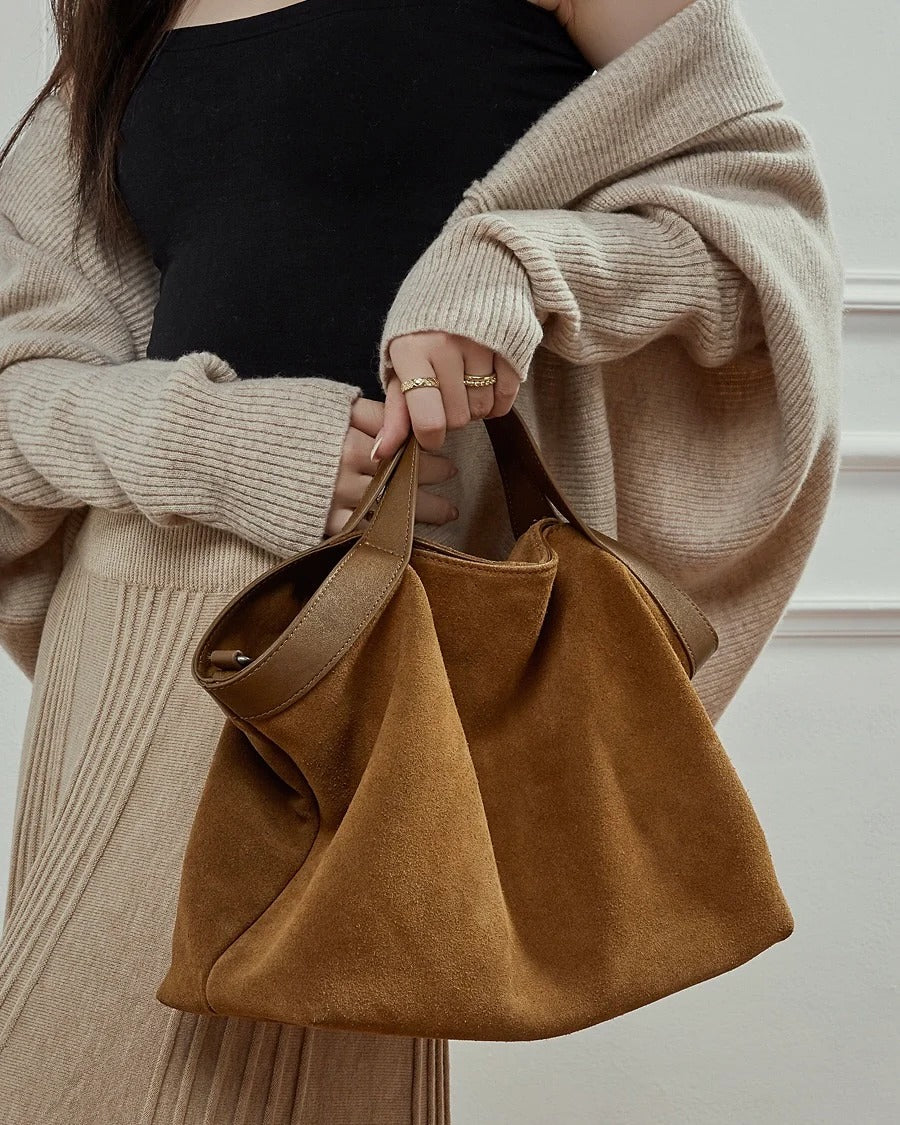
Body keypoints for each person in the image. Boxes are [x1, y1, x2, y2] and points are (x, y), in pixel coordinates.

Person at [0, 0, 843, 1121]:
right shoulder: (127, 12)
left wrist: (514, 270)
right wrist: (218, 441)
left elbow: (762, 242)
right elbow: (17, 383)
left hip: (352, 654)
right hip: (123, 643)